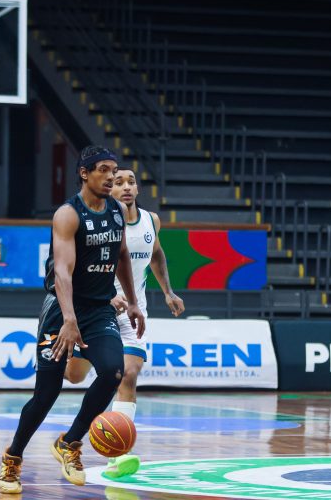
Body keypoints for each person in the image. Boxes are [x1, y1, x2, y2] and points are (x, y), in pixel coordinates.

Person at [0, 146, 146, 495]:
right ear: (84, 173)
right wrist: (68, 319)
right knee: (46, 394)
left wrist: (133, 301)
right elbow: (63, 273)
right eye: (103, 170)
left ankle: (70, 442)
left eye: (114, 171)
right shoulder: (68, 214)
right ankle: (13, 458)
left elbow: (122, 256)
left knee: (113, 371)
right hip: (61, 311)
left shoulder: (116, 210)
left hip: (99, 309)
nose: (111, 177)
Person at [64, 167, 185, 478]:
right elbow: (74, 270)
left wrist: (168, 292)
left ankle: (118, 454)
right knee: (74, 376)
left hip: (133, 313)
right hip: (95, 309)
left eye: (131, 181)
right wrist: (106, 296)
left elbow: (156, 255)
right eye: (119, 182)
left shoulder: (151, 221)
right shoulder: (96, 224)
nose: (126, 187)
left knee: (128, 374)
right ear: (108, 189)